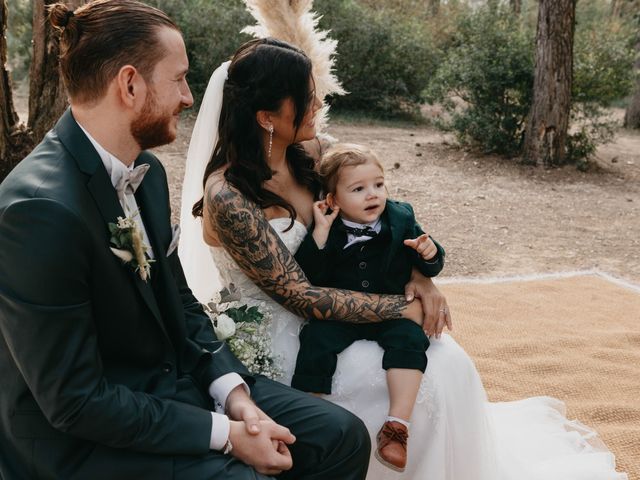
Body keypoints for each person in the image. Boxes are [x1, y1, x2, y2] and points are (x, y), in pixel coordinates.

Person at [181, 35, 629, 480]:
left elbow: (374, 209)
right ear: (266, 117)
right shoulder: (229, 197)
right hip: (286, 329)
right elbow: (299, 297)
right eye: (306, 96)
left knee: (446, 358)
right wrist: (403, 307)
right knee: (429, 374)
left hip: (349, 295)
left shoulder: (311, 154)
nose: (317, 103)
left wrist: (419, 274)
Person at [0, 2, 371, 479]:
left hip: (173, 383)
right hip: (81, 439)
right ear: (130, 85)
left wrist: (234, 395)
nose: (189, 97)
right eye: (178, 79)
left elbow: (181, 301)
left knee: (341, 436)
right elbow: (76, 401)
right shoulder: (38, 211)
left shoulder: (148, 174)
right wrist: (224, 435)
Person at [292, 143, 446, 472]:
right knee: (316, 339)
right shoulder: (327, 227)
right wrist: (320, 232)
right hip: (342, 315)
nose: (372, 194)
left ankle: (396, 427)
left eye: (378, 184)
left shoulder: (401, 216)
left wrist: (429, 253)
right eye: (358, 189)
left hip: (391, 312)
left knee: (410, 339)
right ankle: (307, 417)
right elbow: (309, 276)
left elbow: (431, 266)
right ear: (332, 199)